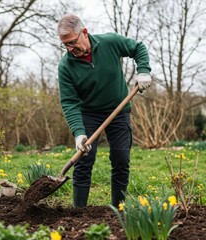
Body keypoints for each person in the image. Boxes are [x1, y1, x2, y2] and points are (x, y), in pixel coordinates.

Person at [57, 13, 152, 208]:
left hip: (118, 111)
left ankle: (119, 209)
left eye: (72, 42)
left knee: (121, 159)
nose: (69, 48)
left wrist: (143, 70)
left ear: (84, 32)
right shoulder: (66, 66)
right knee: (83, 162)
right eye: (65, 45)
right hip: (88, 114)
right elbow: (69, 102)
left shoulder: (109, 42)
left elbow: (138, 48)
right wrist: (79, 133)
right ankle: (79, 211)